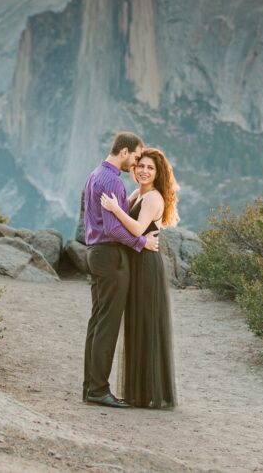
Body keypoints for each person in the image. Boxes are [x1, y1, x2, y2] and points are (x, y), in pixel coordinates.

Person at [82, 132, 160, 408]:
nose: (138, 164)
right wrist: (141, 242)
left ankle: (91, 386)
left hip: (95, 252)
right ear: (124, 152)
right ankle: (99, 390)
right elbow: (114, 228)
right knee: (107, 324)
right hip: (110, 256)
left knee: (97, 321)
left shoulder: (95, 174)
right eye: (137, 157)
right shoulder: (112, 181)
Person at [100, 147, 179, 409]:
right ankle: (139, 391)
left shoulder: (153, 198)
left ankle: (150, 392)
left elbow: (135, 227)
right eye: (141, 166)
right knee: (136, 324)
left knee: (146, 325)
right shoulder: (138, 193)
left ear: (158, 174)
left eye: (150, 168)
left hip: (146, 267)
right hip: (136, 261)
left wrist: (113, 208)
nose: (144, 171)